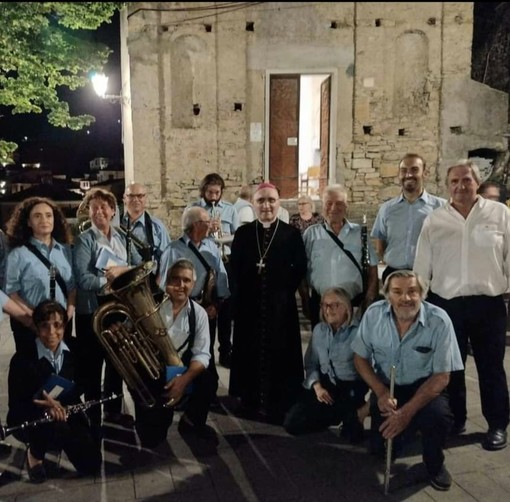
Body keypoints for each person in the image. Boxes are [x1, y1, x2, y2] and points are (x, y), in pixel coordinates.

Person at [414, 160, 510, 451]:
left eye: (466, 180)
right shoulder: (435, 220)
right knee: (452, 369)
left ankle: (496, 425)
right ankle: (456, 420)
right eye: (454, 181)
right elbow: (422, 265)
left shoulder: (499, 214)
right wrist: (419, 303)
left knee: (491, 367)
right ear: (447, 186)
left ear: (477, 183)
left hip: (488, 304)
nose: (460, 186)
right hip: (446, 306)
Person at [352, 270, 463, 492]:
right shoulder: (373, 315)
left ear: (422, 293)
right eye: (397, 292)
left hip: (425, 387)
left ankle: (434, 465)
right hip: (387, 388)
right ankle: (402, 433)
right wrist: (381, 392)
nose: (405, 298)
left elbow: (442, 377)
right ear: (387, 295)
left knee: (438, 417)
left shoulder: (439, 320)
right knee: (379, 449)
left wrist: (406, 413)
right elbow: (360, 358)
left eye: (412, 291)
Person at [229, 182, 307, 424]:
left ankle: (280, 400)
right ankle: (249, 399)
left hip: (280, 307)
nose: (266, 205)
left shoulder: (291, 234)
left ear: (279, 203)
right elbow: (234, 270)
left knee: (281, 352)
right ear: (253, 204)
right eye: (261, 200)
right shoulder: (243, 234)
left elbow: (300, 268)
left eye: (271, 200)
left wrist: (282, 292)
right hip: (249, 306)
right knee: (249, 350)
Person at [6, 300, 102, 483]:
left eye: (57, 325)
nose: (51, 333)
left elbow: (82, 384)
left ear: (65, 325)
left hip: (66, 408)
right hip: (33, 416)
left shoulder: (76, 348)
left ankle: (59, 437)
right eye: (44, 326)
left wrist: (64, 405)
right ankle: (35, 453)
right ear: (36, 327)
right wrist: (44, 408)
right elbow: (16, 406)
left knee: (91, 465)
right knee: (51, 426)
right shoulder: (22, 359)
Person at [73, 188, 142, 431]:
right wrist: (111, 280)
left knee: (116, 363)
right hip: (92, 312)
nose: (100, 211)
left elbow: (137, 266)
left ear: (114, 211)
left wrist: (122, 273)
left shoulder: (123, 237)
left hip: (118, 309)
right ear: (89, 212)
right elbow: (82, 279)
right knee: (93, 366)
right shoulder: (84, 240)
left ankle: (113, 410)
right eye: (95, 207)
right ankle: (93, 415)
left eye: (104, 207)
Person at [131, 259, 217, 448]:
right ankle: (152, 415)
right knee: (152, 439)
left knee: (208, 380)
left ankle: (191, 421)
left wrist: (184, 380)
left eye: (186, 281)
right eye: (175, 279)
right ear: (167, 282)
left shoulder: (199, 313)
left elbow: (202, 354)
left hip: (180, 369)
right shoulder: (151, 307)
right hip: (154, 369)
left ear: (193, 285)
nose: (180, 285)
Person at [284, 287, 367, 443]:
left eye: (334, 305)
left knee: (353, 437)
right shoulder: (319, 330)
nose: (328, 310)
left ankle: (350, 414)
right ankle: (334, 415)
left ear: (346, 307)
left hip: (349, 387)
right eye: (324, 305)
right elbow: (311, 363)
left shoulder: (359, 332)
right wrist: (317, 387)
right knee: (292, 424)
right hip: (325, 384)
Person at [158, 206, 228, 388]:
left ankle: (206, 389)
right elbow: (163, 283)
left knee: (205, 350)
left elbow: (221, 277)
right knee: (181, 351)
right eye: (207, 222)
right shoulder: (173, 249)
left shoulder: (212, 246)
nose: (211, 225)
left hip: (207, 308)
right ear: (195, 225)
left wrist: (216, 305)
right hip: (180, 308)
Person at [4, 197, 76, 354]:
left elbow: (71, 287)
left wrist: (67, 315)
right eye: (37, 216)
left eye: (48, 215)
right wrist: (35, 318)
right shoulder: (18, 255)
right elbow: (12, 293)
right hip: (30, 325)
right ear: (28, 222)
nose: (44, 220)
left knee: (61, 373)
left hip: (61, 325)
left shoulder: (66, 251)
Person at [302, 184, 378, 328]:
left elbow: (372, 270)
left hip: (354, 304)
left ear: (346, 206)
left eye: (339, 203)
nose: (333, 208)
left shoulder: (360, 234)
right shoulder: (311, 234)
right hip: (322, 306)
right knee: (323, 345)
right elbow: (302, 271)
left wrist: (369, 299)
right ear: (322, 206)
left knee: (355, 347)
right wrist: (306, 299)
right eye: (329, 203)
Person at [188, 173, 239, 368]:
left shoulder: (229, 209)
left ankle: (226, 351)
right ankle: (205, 354)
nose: (214, 197)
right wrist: (207, 230)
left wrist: (224, 234)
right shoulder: (194, 208)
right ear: (203, 191)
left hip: (225, 261)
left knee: (225, 309)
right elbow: (189, 235)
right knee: (206, 309)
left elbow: (237, 234)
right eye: (210, 192)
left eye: (217, 193)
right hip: (203, 263)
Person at [371, 154, 446, 284]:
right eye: (404, 170)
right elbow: (380, 242)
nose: (408, 174)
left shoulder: (441, 207)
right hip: (393, 275)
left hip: (428, 276)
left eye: (414, 170)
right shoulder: (387, 209)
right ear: (399, 175)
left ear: (425, 173)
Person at [121, 182, 171, 269]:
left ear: (145, 199)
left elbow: (167, 257)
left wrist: (158, 280)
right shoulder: (116, 224)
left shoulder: (157, 227)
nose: (136, 199)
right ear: (124, 199)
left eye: (140, 196)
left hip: (149, 279)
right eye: (131, 196)